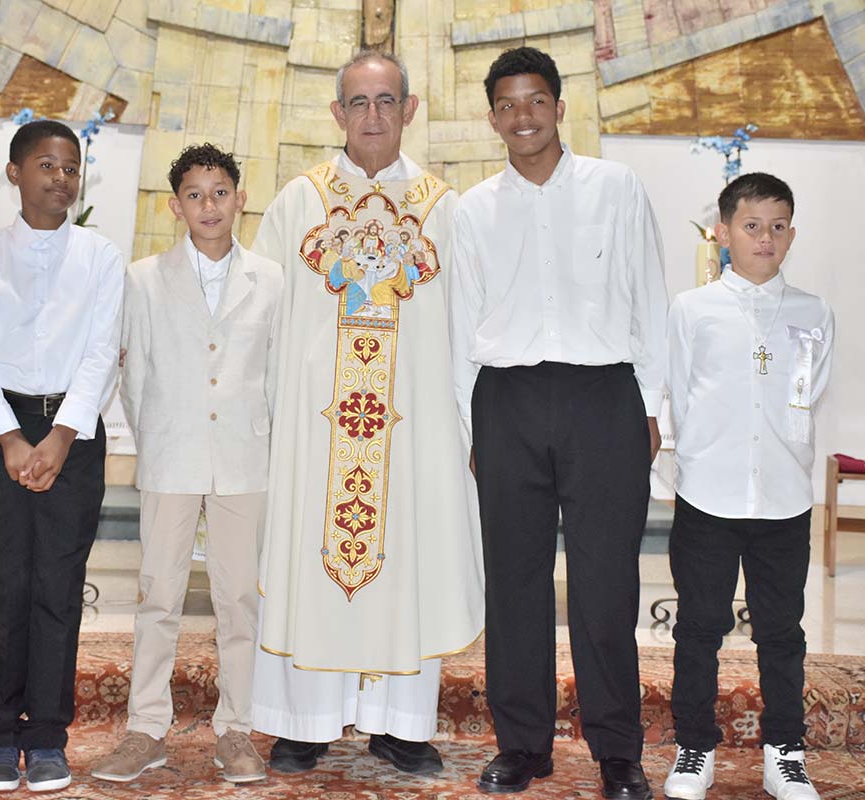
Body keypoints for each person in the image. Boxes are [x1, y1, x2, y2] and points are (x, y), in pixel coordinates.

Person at [250, 49, 484, 776]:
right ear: (337, 113)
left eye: (387, 101)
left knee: (407, 561)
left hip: (414, 432)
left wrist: (468, 428)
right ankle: (304, 721)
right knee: (312, 566)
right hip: (316, 431)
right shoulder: (299, 202)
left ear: (410, 110)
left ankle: (402, 726)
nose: (373, 116)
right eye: (359, 102)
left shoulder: (445, 209)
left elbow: (472, 325)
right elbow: (261, 318)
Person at [450, 47, 667, 798]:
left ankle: (616, 751)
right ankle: (523, 745)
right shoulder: (471, 209)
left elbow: (650, 301)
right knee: (514, 584)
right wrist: (467, 428)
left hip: (603, 399)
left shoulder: (616, 188)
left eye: (535, 100)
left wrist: (650, 405)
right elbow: (458, 325)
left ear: (560, 106)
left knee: (606, 585)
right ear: (492, 118)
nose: (523, 116)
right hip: (505, 404)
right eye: (507, 105)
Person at [91, 144, 282, 785]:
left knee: (238, 599)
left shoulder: (272, 280)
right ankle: (145, 730)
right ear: (176, 205)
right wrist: (162, 436)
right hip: (171, 454)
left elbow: (276, 375)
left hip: (243, 457)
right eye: (195, 195)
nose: (208, 205)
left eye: (220, 191)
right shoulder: (144, 278)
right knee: (158, 596)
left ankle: (237, 732)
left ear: (239, 198)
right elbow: (135, 374)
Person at [0, 119, 123, 792]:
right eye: (47, 166)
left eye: (72, 168)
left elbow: (101, 353)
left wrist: (60, 436)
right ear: (15, 172)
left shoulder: (100, 258)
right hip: (3, 430)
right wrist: (12, 437)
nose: (61, 179)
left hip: (71, 434)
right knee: (3, 584)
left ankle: (48, 737)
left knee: (57, 589)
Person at [662, 173, 833, 800]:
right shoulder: (692, 309)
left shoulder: (815, 312)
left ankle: (784, 752)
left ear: (792, 234)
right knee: (700, 628)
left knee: (782, 632)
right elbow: (676, 390)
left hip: (784, 498)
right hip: (709, 493)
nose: (765, 237)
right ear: (724, 232)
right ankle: (694, 749)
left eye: (778, 226)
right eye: (752, 225)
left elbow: (806, 395)